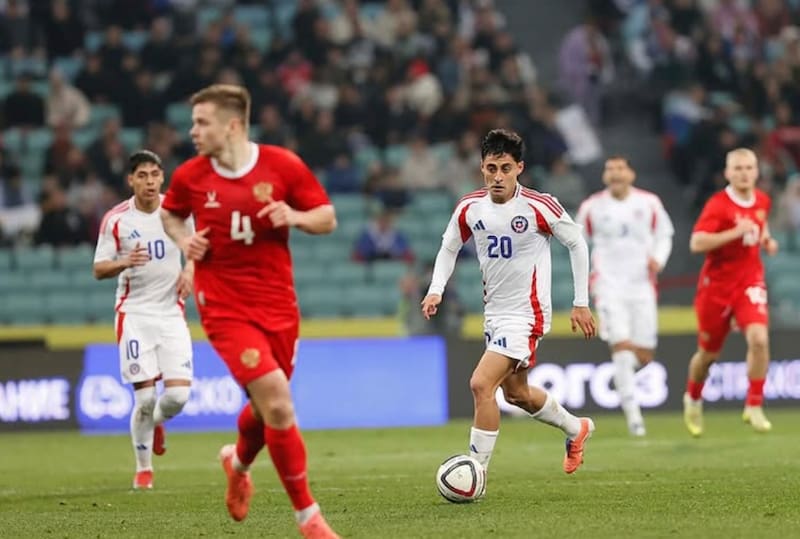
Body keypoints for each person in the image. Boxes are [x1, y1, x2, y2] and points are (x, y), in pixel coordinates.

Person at [159, 84, 339, 539]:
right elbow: (171, 213)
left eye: (202, 122)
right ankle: (308, 518)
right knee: (278, 401)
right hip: (222, 305)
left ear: (232, 125)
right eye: (193, 122)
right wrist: (185, 242)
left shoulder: (282, 166)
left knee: (265, 409)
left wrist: (295, 217)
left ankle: (236, 464)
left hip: (278, 304)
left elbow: (326, 217)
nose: (193, 131)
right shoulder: (190, 176)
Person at [421, 129, 598, 489]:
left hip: (527, 315)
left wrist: (581, 302)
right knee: (516, 394)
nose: (497, 176)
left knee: (480, 384)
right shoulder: (470, 207)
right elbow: (448, 247)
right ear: (482, 168)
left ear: (520, 168)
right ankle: (576, 427)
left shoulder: (539, 205)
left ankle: (476, 473)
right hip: (495, 314)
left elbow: (577, 243)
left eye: (505, 168)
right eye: (490, 168)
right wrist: (435, 289)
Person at [93, 150, 194, 490]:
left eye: (155, 174)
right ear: (131, 180)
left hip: (171, 313)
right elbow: (98, 269)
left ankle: (158, 424)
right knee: (146, 400)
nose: (150, 182)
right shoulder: (116, 219)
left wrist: (191, 271)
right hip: (134, 314)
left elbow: (194, 249)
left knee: (177, 398)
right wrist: (123, 261)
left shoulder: (178, 211)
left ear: (162, 177)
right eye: (142, 176)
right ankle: (144, 469)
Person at [684, 147, 779, 437]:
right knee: (708, 356)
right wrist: (735, 232)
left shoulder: (763, 200)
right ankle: (693, 397)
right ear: (727, 173)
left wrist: (767, 240)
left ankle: (753, 404)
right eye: (737, 168)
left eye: (749, 168)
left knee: (759, 339)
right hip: (717, 287)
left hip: (750, 281)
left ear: (757, 171)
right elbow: (697, 243)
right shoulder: (718, 205)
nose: (744, 173)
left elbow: (759, 228)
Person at [576, 156, 674, 436]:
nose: (615, 173)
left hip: (642, 285)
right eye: (610, 169)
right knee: (621, 346)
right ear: (605, 176)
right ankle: (635, 420)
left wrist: (658, 258)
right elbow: (578, 244)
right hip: (608, 285)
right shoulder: (591, 207)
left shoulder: (649, 203)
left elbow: (665, 234)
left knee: (643, 355)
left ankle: (623, 382)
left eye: (620, 168)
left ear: (631, 173)